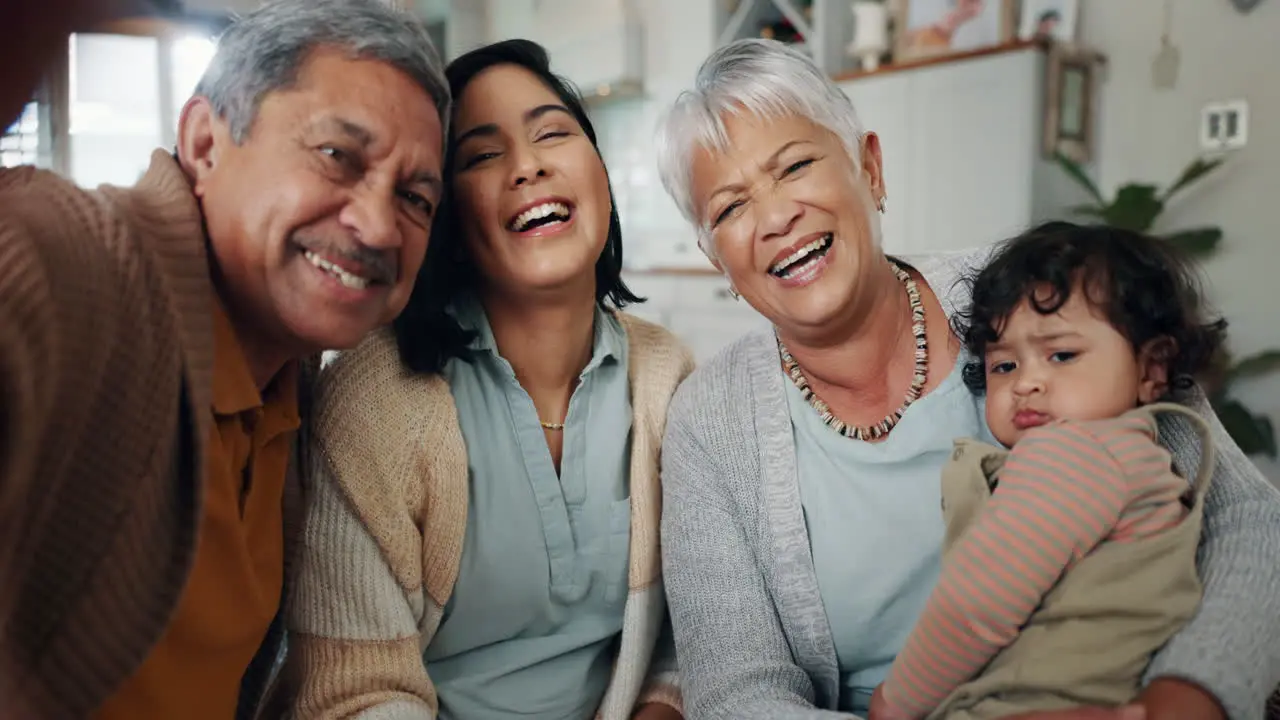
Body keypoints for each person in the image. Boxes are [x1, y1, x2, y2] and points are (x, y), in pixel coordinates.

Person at [651, 37, 1280, 720]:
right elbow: (736, 693)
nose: (775, 219)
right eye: (730, 208)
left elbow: (1246, 519)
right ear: (717, 257)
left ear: (870, 167)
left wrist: (1185, 703)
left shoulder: (1037, 293)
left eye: (796, 165)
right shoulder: (708, 420)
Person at [0, 0, 449, 717]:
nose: (378, 225)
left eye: (416, 198)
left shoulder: (299, 385)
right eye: (338, 156)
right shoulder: (82, 265)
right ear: (205, 144)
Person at [283, 39, 693, 720]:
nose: (528, 166)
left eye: (552, 133)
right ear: (446, 215)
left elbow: (691, 632)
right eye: (481, 154)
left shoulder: (669, 376)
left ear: (600, 171)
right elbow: (351, 691)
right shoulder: (371, 400)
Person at [869, 222, 1226, 720]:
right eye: (1004, 366)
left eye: (1062, 355)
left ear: (1152, 370)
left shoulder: (1069, 455)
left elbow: (977, 603)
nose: (1027, 383)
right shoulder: (1135, 456)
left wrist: (897, 700)